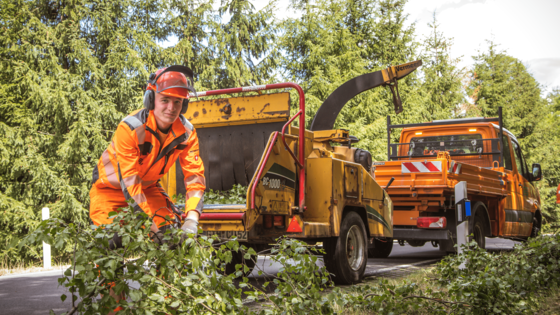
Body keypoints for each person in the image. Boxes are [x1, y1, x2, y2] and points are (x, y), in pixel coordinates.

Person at [89, 65, 206, 239]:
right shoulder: (130, 129)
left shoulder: (187, 133)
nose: (171, 108)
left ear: (184, 104)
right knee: (109, 244)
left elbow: (194, 177)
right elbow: (130, 183)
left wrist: (192, 219)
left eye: (177, 102)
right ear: (150, 99)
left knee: (169, 235)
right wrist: (152, 229)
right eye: (165, 100)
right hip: (109, 190)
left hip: (147, 189)